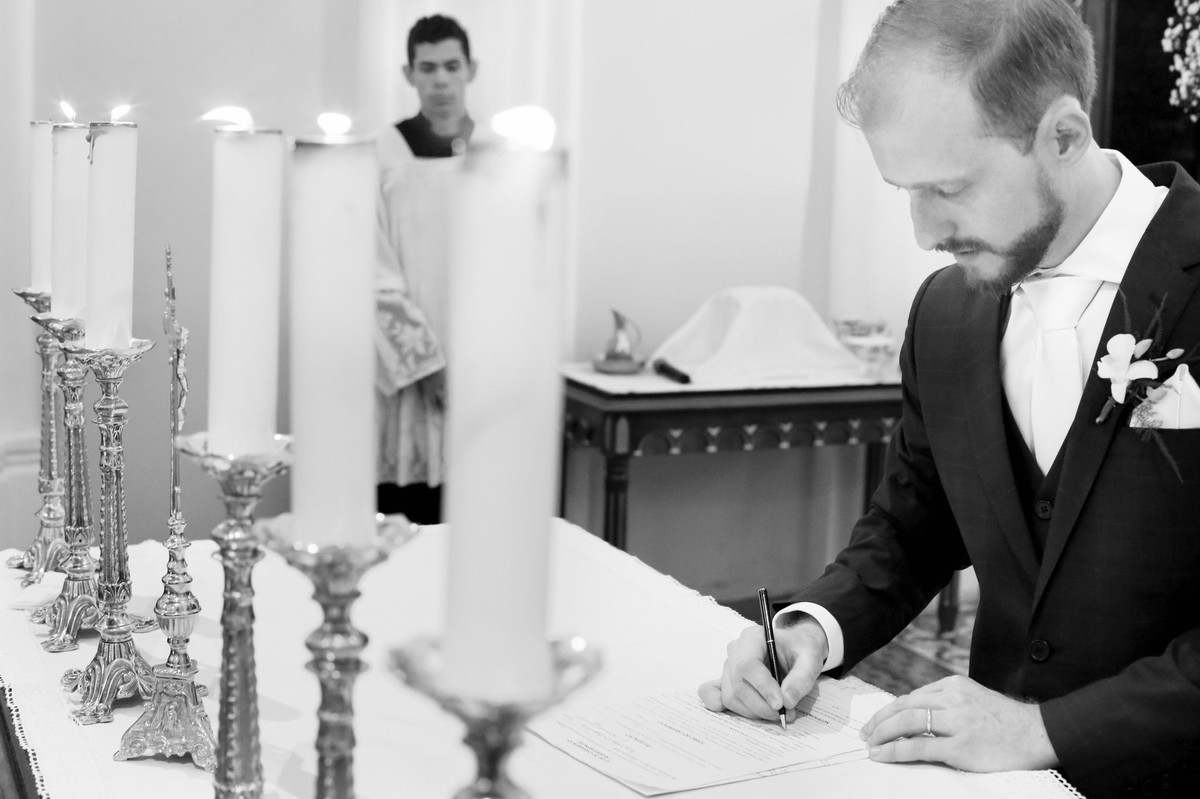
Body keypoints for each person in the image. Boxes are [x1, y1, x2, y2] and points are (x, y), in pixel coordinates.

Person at [698, 1, 1200, 796]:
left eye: (949, 188)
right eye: (904, 189)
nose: (924, 232)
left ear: (1063, 136)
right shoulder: (946, 311)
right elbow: (914, 520)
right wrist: (812, 628)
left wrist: (1044, 729)